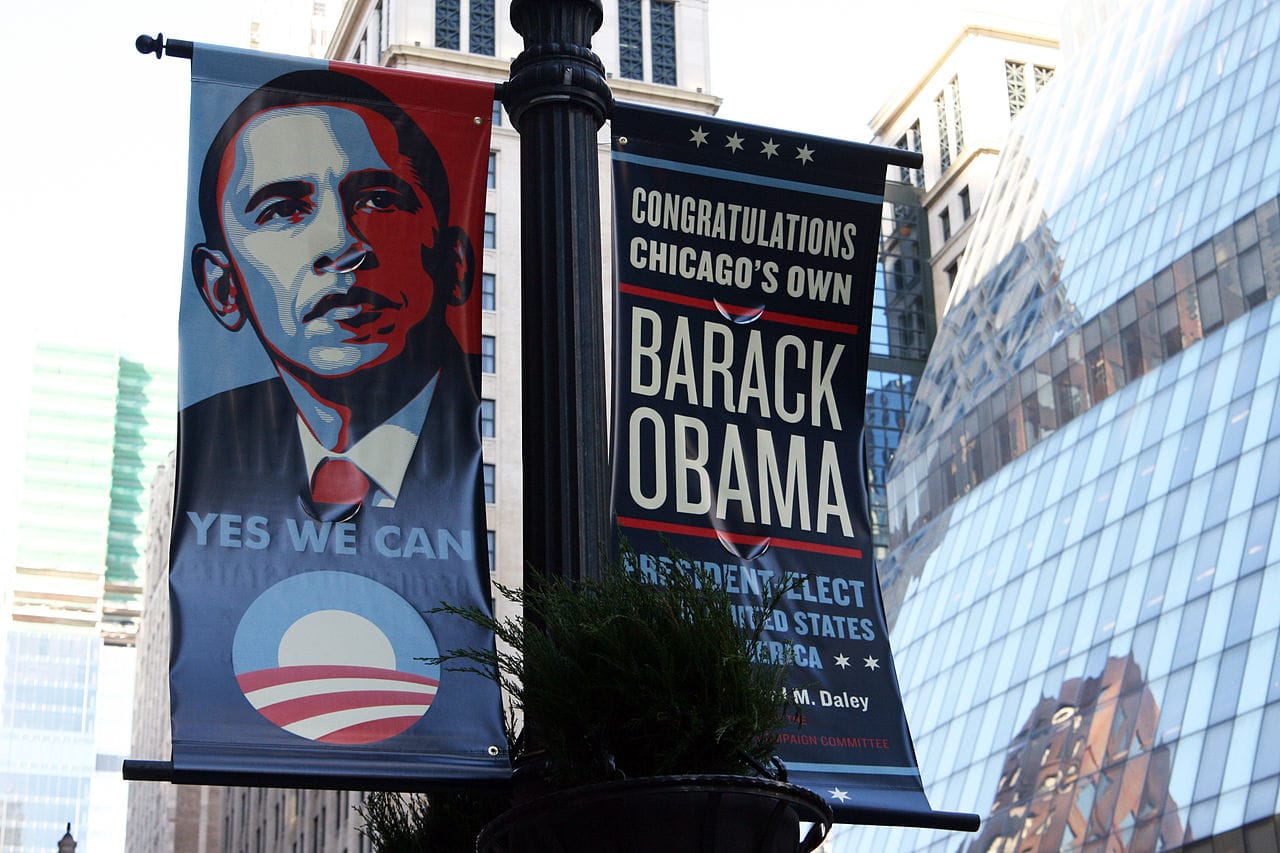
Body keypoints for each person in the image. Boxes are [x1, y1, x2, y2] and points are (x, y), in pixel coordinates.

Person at [181, 69, 482, 525]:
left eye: (379, 201)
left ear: (455, 263)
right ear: (223, 289)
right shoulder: (208, 450)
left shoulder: (519, 442)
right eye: (282, 210)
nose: (342, 244)